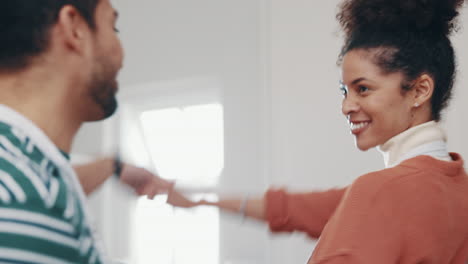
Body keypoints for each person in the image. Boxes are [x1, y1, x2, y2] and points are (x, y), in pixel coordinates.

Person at [167, 0, 468, 263]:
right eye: (344, 91)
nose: (347, 106)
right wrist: (201, 201)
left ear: (419, 90)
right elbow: (295, 209)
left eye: (363, 89)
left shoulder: (381, 192)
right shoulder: (453, 190)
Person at [0, 0, 171, 263]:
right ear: (74, 28)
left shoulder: (23, 177)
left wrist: (113, 167)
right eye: (113, 27)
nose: (122, 56)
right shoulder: (26, 201)